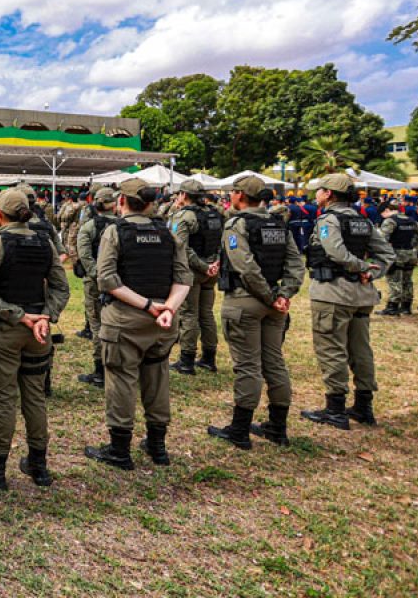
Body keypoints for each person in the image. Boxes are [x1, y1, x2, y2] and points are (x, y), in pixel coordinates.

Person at [84, 178, 192, 471]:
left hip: (125, 320)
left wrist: (146, 305)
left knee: (121, 381)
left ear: (122, 202)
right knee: (157, 379)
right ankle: (157, 446)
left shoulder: (114, 232)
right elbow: (183, 279)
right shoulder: (167, 233)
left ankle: (120, 450)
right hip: (162, 322)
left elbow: (107, 279)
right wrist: (167, 308)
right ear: (150, 203)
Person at [0, 189, 69, 489]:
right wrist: (44, 317)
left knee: (4, 400)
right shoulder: (45, 243)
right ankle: (39, 465)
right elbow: (61, 289)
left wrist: (19, 316)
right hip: (38, 332)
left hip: (5, 332)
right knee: (35, 398)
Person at [207, 176, 305, 448]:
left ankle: (239, 431)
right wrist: (283, 294)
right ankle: (277, 427)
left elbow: (245, 267)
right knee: (274, 363)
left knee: (248, 366)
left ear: (239, 195)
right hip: (273, 304)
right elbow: (296, 264)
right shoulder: (278, 225)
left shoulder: (237, 225)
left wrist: (271, 295)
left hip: (246, 301)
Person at [301, 173, 394, 429]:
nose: (317, 193)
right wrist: (370, 272)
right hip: (361, 294)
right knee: (360, 350)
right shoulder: (362, 221)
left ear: (329, 194)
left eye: (320, 189)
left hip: (334, 293)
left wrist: (360, 266)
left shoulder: (329, 219)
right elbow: (387, 253)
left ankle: (335, 410)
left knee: (331, 349)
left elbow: (335, 251)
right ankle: (364, 406)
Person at [168, 180, 224, 375]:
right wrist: (214, 263)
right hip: (211, 270)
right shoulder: (215, 213)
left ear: (183, 195)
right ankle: (209, 357)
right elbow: (220, 242)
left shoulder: (185, 216)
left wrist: (203, 266)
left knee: (189, 314)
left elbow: (180, 247)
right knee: (206, 313)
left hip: (192, 271)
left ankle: (187, 359)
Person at [75, 188, 118, 388]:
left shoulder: (89, 227)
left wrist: (99, 276)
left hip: (95, 283)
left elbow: (84, 256)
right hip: (120, 284)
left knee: (97, 326)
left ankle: (100, 372)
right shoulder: (123, 226)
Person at [377, 198, 417, 316]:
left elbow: (382, 240)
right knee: (407, 281)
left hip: (396, 254)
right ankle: (406, 306)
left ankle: (392, 307)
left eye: (382, 214)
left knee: (394, 280)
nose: (383, 217)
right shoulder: (410, 220)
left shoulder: (390, 221)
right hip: (410, 253)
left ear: (387, 210)